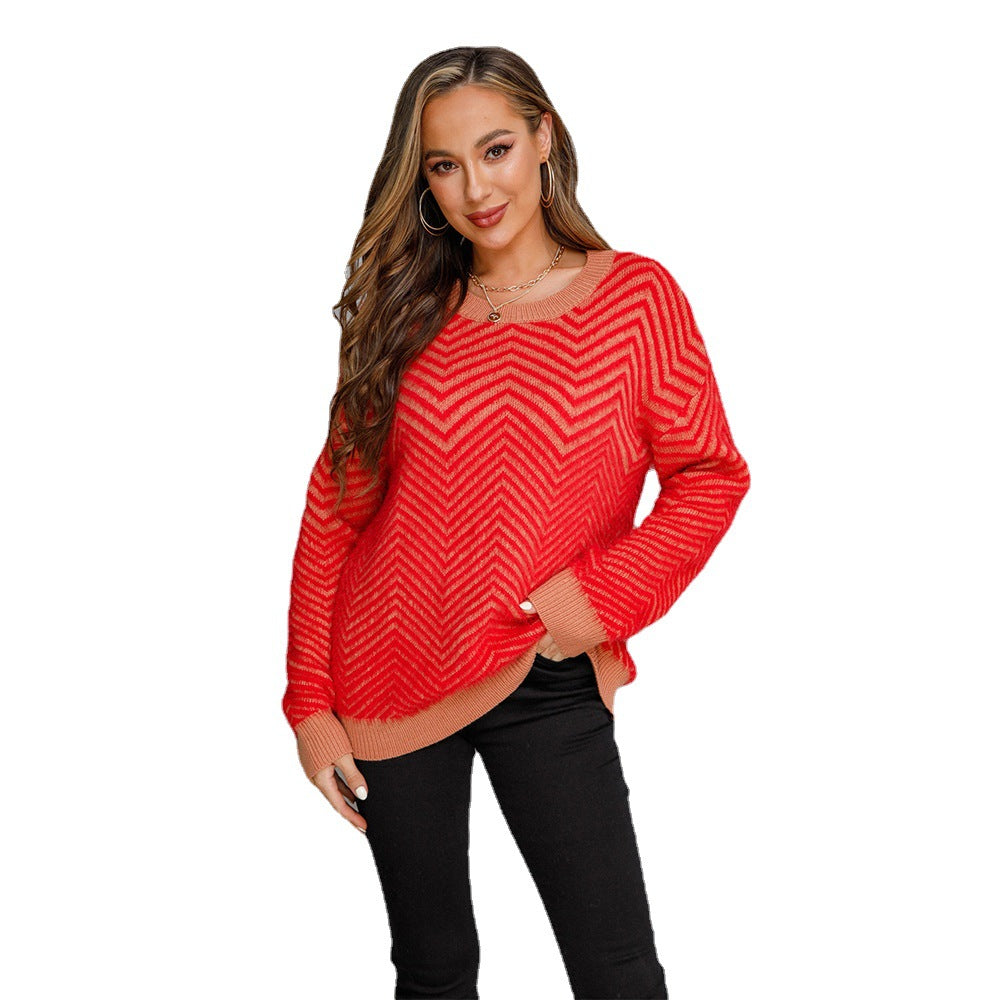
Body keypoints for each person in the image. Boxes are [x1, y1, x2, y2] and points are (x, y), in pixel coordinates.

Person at [282, 45, 750, 1000]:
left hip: (543, 671)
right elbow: (334, 515)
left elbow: (709, 475)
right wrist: (310, 708)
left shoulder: (635, 299)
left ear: (544, 137)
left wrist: (590, 604)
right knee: (435, 972)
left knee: (617, 972)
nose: (475, 189)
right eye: (444, 166)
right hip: (387, 678)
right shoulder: (407, 314)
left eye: (494, 150)